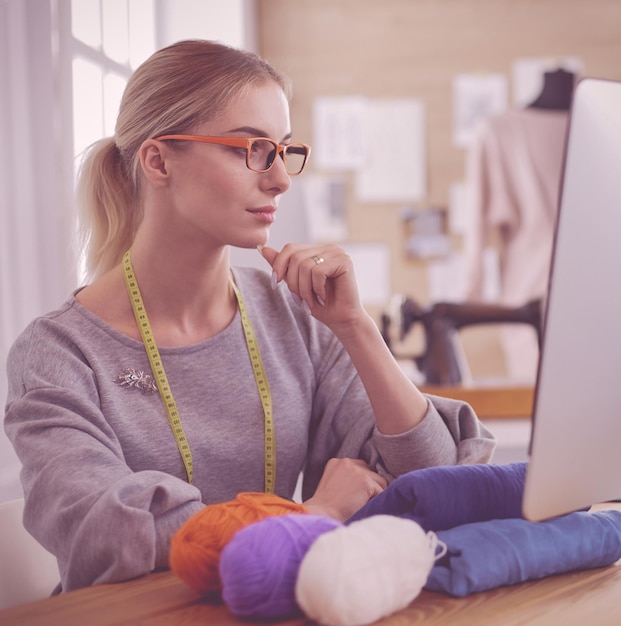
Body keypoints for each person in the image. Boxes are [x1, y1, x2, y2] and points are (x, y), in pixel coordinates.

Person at [4, 39, 495, 593]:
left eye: (283, 150)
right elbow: (109, 534)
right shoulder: (59, 352)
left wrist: (357, 329)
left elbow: (435, 483)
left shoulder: (298, 316)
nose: (281, 179)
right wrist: (310, 518)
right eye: (251, 148)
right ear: (159, 160)